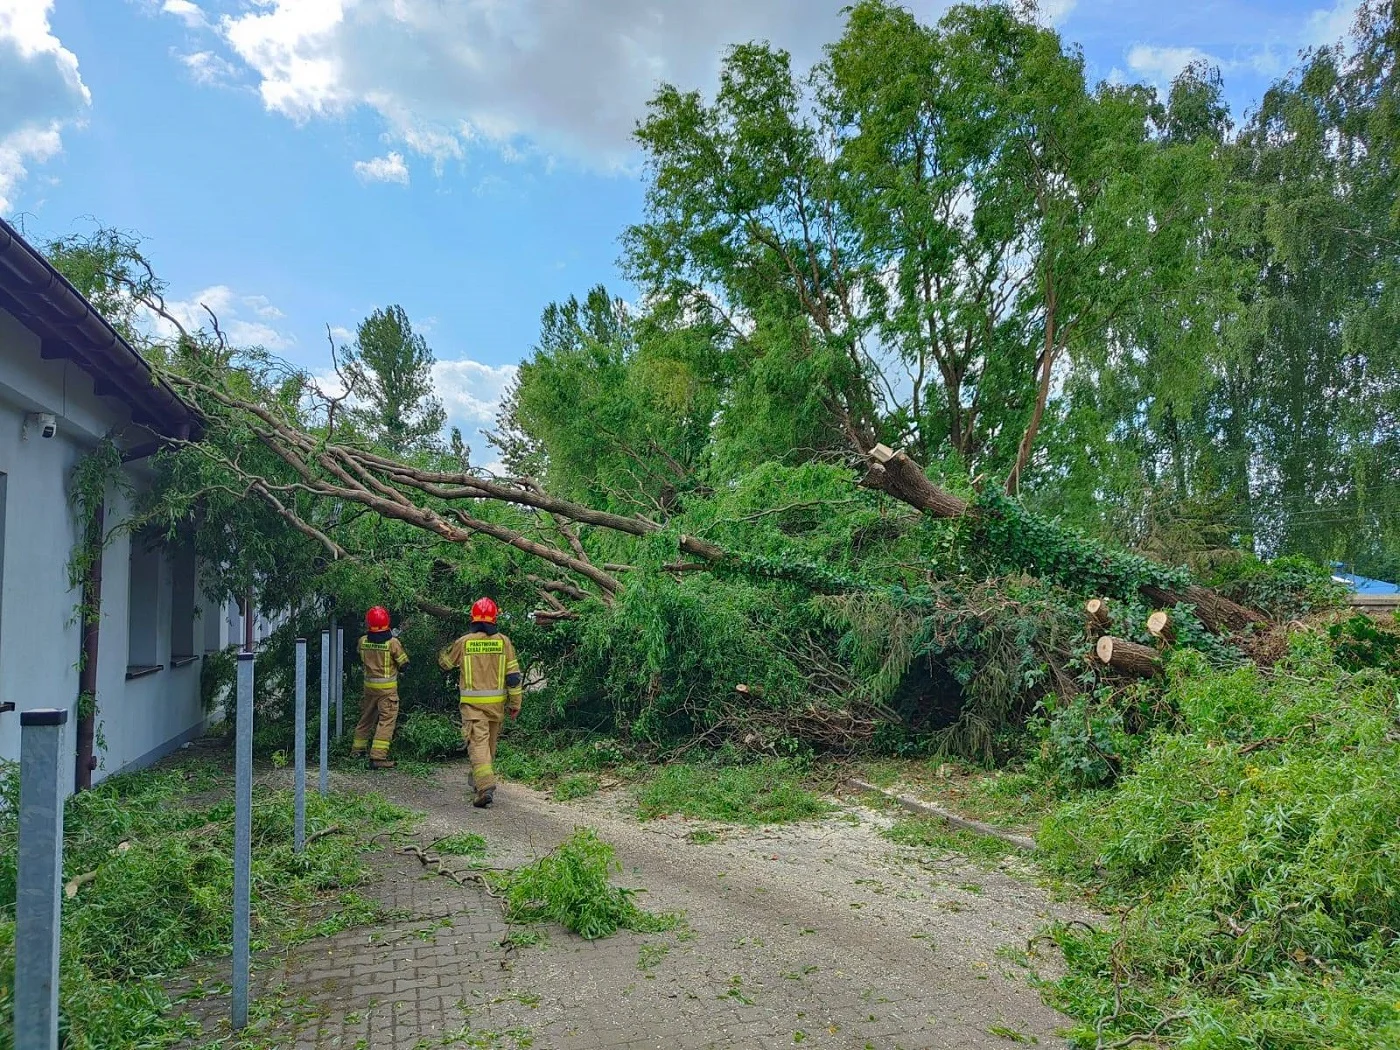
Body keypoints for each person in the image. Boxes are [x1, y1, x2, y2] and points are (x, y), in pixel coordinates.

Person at [438, 597, 523, 808]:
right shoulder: (504, 641)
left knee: (478, 745)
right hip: (496, 706)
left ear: (473, 618)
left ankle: (485, 787)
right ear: (495, 618)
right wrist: (516, 703)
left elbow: (446, 664)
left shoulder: (464, 642)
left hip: (473, 706)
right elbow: (513, 677)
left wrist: (443, 651)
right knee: (489, 747)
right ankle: (479, 780)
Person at [351, 606, 408, 769]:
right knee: (386, 721)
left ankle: (357, 750)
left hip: (369, 689)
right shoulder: (392, 643)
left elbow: (360, 656)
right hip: (387, 692)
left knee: (366, 719)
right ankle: (378, 757)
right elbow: (404, 664)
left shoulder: (363, 641)